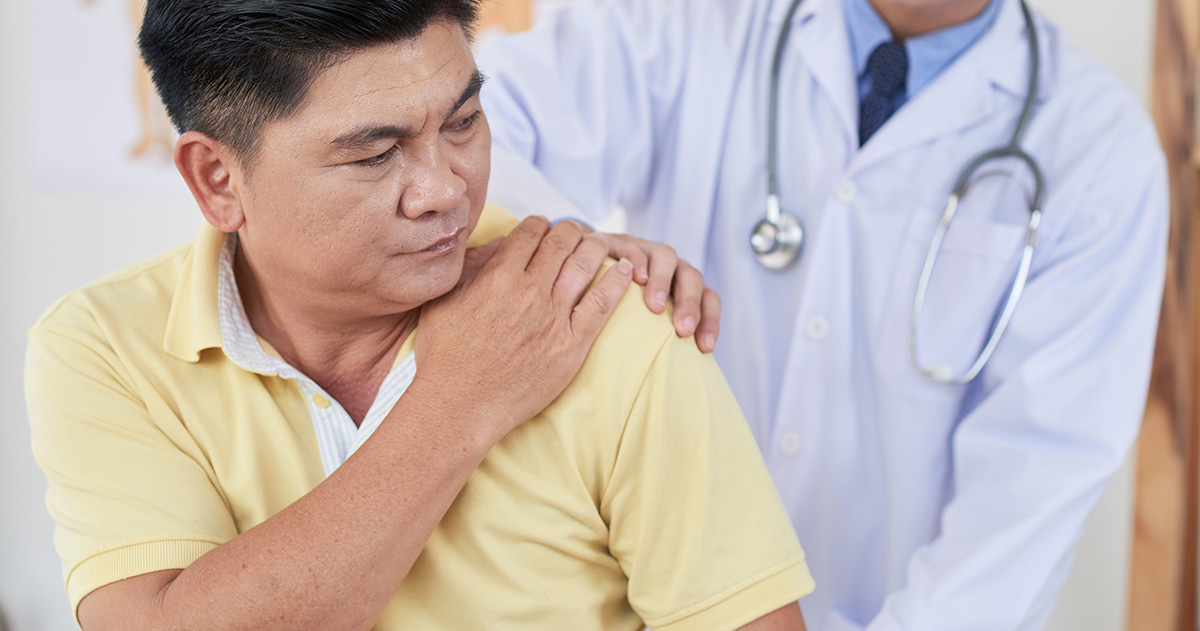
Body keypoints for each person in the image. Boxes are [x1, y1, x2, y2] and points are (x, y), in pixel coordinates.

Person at [24, 1, 815, 629]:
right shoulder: (102, 347)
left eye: (463, 121)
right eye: (375, 154)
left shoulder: (603, 322)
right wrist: (460, 398)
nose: (445, 188)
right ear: (217, 178)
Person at [477, 0, 1169, 628]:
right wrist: (572, 245)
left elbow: (1024, 505)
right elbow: (473, 124)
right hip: (646, 599)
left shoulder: (1101, 152)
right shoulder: (694, 19)